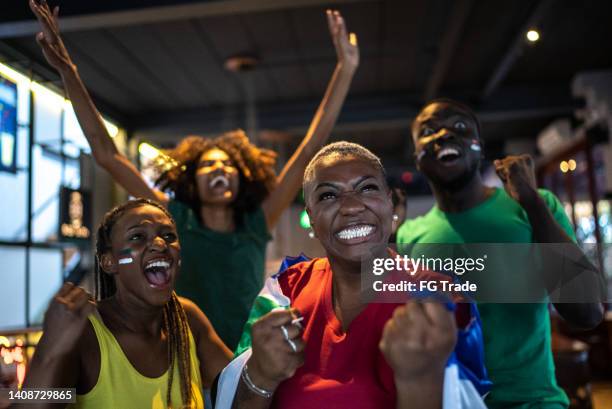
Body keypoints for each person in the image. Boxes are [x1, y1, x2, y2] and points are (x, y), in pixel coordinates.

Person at [30, 0, 360, 350]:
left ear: (241, 177)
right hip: (186, 354)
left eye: (227, 164)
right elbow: (107, 154)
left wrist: (345, 69)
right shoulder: (174, 222)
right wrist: (68, 71)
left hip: (250, 355)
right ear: (192, 180)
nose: (219, 168)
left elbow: (309, 148)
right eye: (208, 164)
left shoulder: (256, 221)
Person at [214, 142, 489, 409]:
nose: (351, 207)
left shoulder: (442, 298)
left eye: (367, 188)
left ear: (390, 203)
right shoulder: (284, 291)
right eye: (328, 195)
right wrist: (258, 378)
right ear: (311, 217)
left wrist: (419, 381)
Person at [397, 99, 604, 408]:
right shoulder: (409, 235)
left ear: (479, 145)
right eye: (429, 131)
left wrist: (532, 201)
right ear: (417, 158)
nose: (444, 135)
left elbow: (587, 313)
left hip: (532, 402)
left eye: (460, 128)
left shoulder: (535, 206)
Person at [16, 198, 232, 409]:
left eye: (168, 235)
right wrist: (50, 351)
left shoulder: (187, 319)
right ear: (109, 262)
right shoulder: (86, 333)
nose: (160, 243)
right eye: (138, 236)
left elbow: (238, 386)